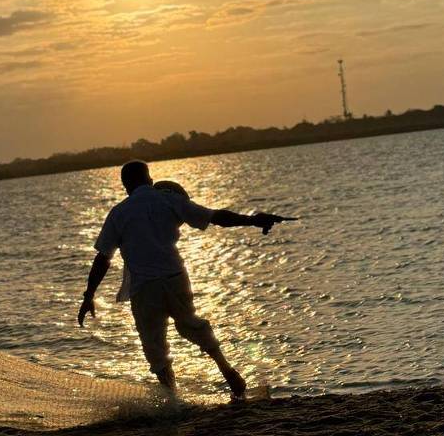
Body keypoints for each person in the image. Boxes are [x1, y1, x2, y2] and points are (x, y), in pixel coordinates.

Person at [77, 161, 295, 398]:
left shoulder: (118, 213)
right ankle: (228, 371)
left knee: (154, 344)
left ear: (125, 186)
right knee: (191, 324)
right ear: (149, 180)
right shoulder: (169, 200)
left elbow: (103, 258)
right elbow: (216, 217)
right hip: (175, 277)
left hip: (144, 288)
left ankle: (173, 398)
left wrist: (89, 295)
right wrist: (253, 220)